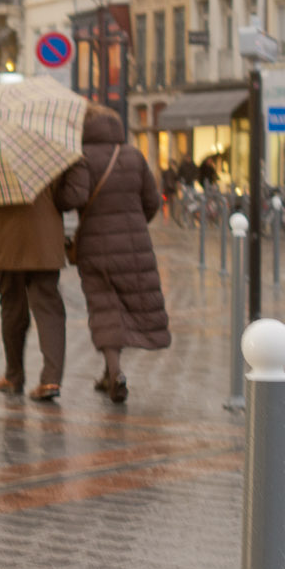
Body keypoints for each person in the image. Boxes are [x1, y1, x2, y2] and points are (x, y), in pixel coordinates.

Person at [66, 108, 171, 404]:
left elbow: (73, 198)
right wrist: (133, 223)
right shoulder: (134, 156)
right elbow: (151, 201)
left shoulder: (82, 157)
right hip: (135, 247)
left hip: (95, 248)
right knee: (122, 308)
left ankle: (115, 371)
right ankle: (109, 372)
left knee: (104, 309)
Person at [0, 151, 89, 403]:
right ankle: (50, 379)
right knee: (49, 308)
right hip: (44, 239)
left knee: (12, 308)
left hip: (6, 235)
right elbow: (72, 194)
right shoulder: (48, 147)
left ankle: (13, 376)